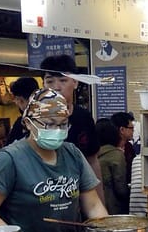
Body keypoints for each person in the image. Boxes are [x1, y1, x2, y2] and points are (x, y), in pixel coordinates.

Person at [0, 88, 108, 232]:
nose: (57, 131)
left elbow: (93, 205)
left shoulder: (73, 154)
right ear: (28, 123)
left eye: (62, 125)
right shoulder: (9, 159)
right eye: (49, 124)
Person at [39, 54, 104, 204]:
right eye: (50, 81)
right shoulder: (33, 118)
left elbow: (92, 161)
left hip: (81, 195)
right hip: (43, 194)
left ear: (75, 82)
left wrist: (101, 204)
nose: (56, 87)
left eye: (63, 80)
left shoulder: (84, 118)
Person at [95, 118, 129, 215]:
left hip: (95, 205)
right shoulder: (116, 155)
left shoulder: (90, 155)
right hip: (113, 207)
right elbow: (121, 188)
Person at [6, 77, 40, 145]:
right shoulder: (52, 116)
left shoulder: (21, 123)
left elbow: (9, 146)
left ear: (20, 99)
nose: (15, 103)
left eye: (15, 99)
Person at [110, 111, 136, 184]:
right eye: (131, 128)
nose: (133, 131)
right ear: (122, 130)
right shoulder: (110, 150)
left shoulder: (129, 147)